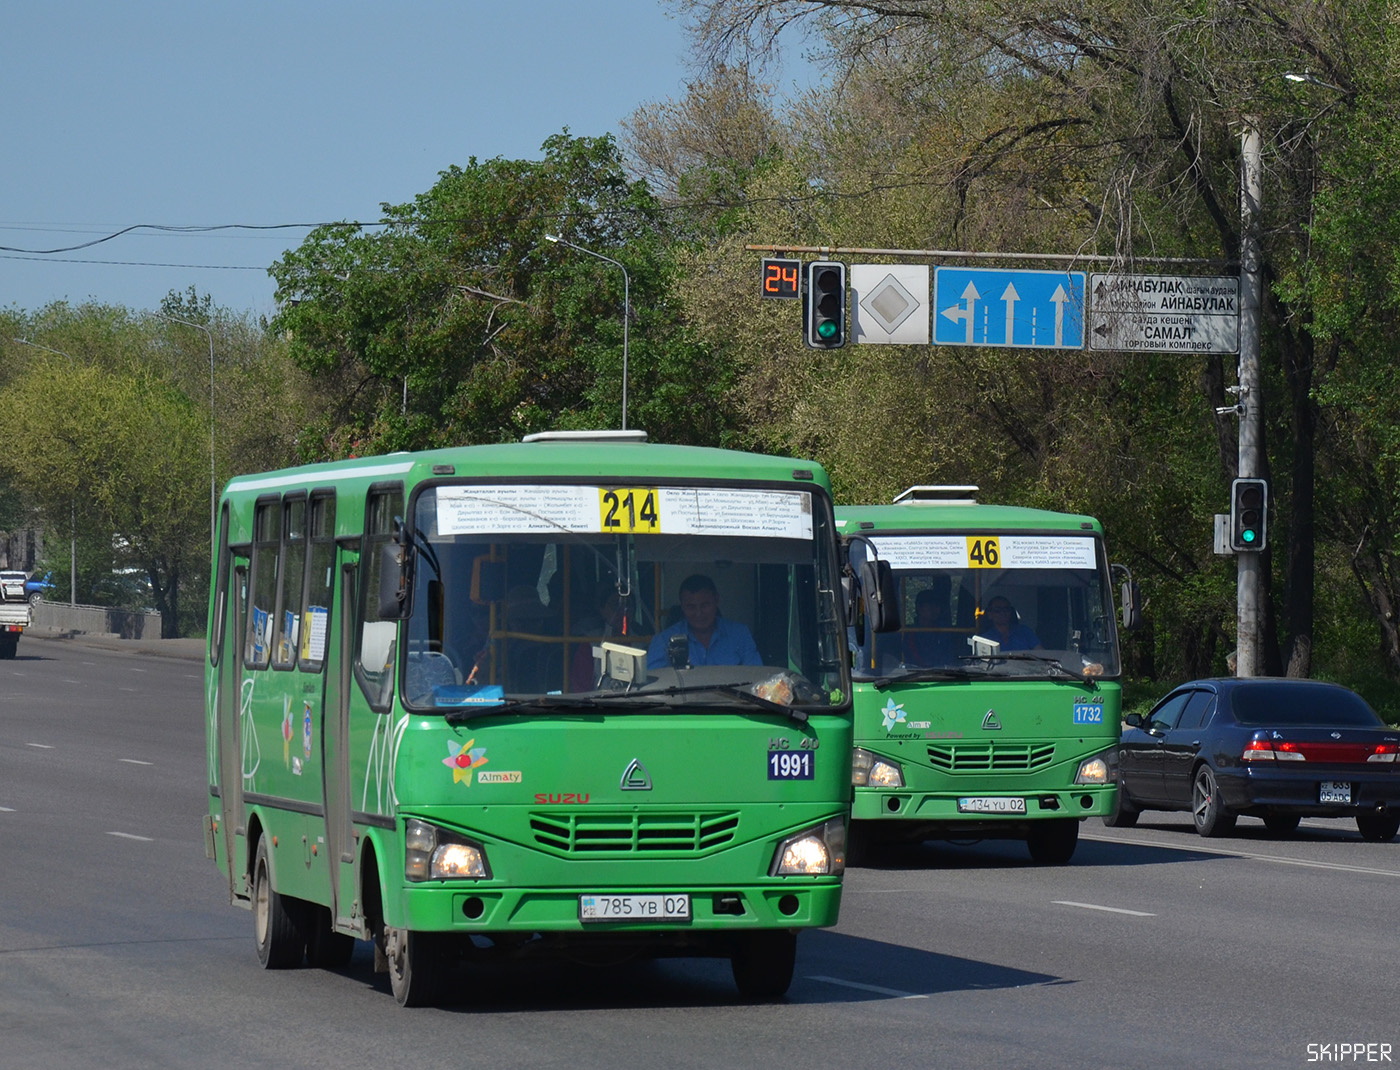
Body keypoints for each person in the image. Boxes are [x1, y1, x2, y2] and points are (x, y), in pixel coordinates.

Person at [647, 574, 761, 669]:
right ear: (682, 607)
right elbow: (654, 685)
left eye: (705, 605)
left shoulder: (740, 634)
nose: (699, 613)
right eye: (691, 607)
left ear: (716, 600)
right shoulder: (663, 641)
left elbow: (756, 677)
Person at [904, 588, 956, 666]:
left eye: (937, 605)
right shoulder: (910, 632)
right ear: (919, 608)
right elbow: (913, 657)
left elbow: (950, 655)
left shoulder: (946, 630)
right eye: (930, 605)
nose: (935, 609)